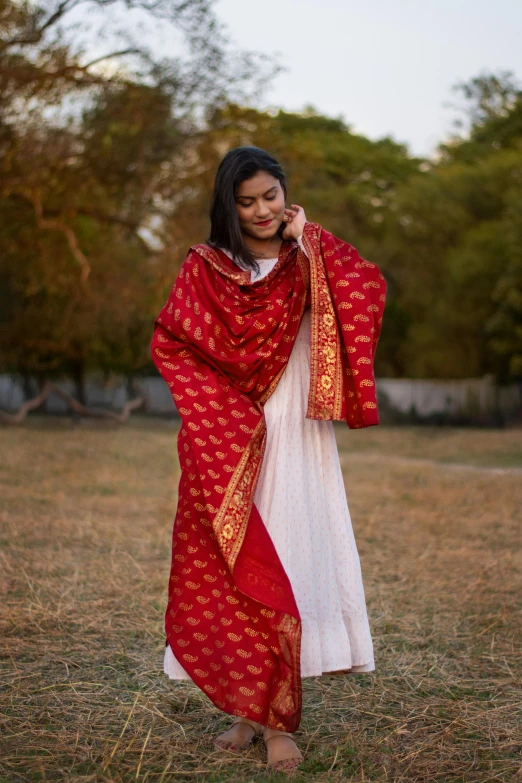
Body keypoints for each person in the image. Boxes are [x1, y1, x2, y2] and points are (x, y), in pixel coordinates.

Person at [151, 146, 386, 773]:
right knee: (238, 569)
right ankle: (249, 711)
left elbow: (367, 286)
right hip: (233, 434)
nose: (261, 210)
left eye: (270, 196)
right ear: (228, 206)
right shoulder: (207, 267)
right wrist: (219, 416)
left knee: (290, 552)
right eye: (247, 200)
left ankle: (281, 720)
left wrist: (312, 239)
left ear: (286, 195)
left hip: (296, 434)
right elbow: (174, 342)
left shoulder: (308, 258)